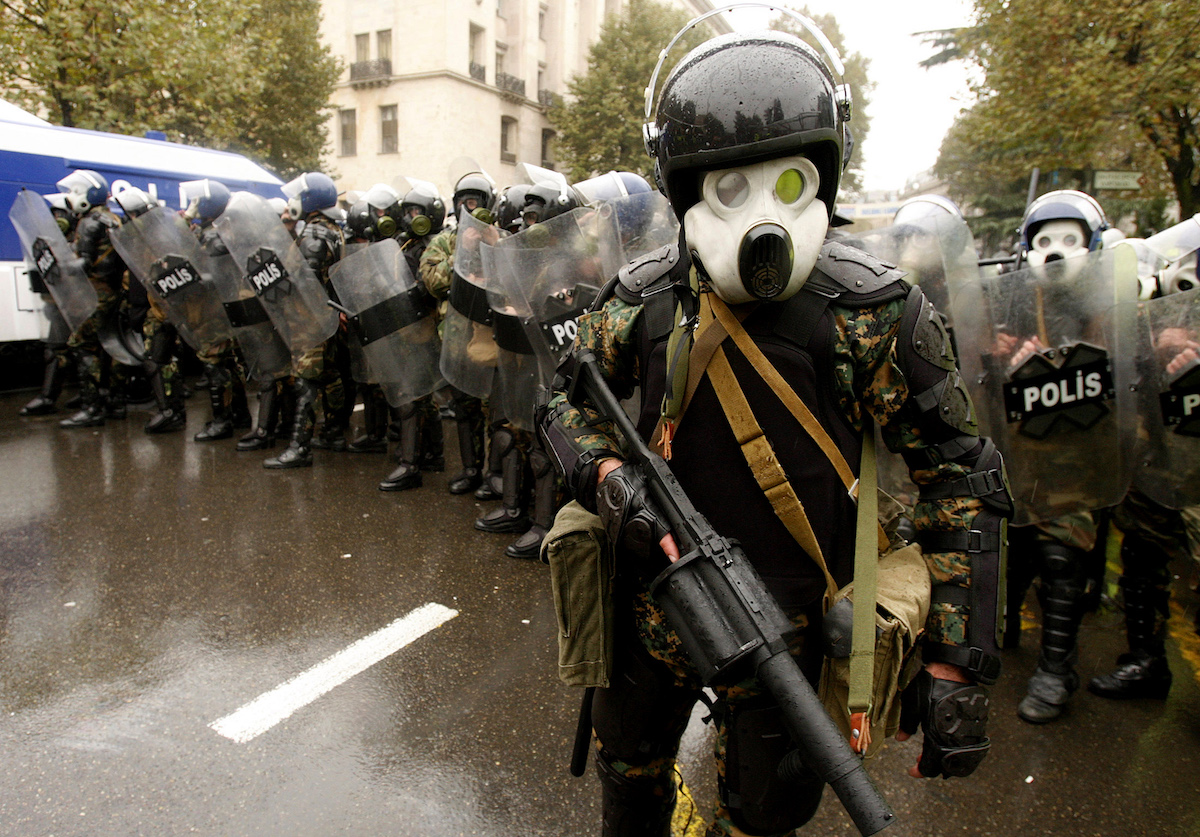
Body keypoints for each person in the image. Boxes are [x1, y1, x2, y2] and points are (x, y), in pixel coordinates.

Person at [539, 27, 1007, 837]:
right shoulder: (642, 298)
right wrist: (606, 478)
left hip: (784, 641)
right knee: (630, 778)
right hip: (649, 612)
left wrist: (956, 662)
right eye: (729, 190)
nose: (764, 218)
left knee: (764, 814)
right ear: (685, 190)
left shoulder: (876, 313)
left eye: (792, 181)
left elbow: (963, 477)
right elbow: (561, 406)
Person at [1000, 190, 1119, 723]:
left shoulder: (1108, 306)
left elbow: (1127, 379)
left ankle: (1056, 670)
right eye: (1043, 240)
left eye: (1068, 240)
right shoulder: (1014, 301)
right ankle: (1008, 629)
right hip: (1024, 458)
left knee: (1061, 557)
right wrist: (1008, 360)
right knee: (1018, 551)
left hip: (1079, 460)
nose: (1053, 251)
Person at [264, 172, 345, 469]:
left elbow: (305, 282)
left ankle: (300, 447)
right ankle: (334, 432)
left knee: (307, 380)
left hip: (309, 319)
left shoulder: (313, 234)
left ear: (310, 201)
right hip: (326, 315)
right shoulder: (332, 228)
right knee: (331, 375)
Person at [56, 170, 129, 429]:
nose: (71, 197)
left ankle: (92, 407)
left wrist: (60, 265)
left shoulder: (88, 222)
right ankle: (115, 401)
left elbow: (84, 263)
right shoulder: (113, 219)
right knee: (110, 345)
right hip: (114, 292)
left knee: (83, 346)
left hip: (94, 293)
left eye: (75, 191)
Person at [18, 193, 76, 417]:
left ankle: (52, 397)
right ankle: (49, 396)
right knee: (55, 349)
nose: (56, 220)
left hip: (80, 303)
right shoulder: (55, 241)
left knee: (81, 352)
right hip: (60, 302)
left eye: (60, 215)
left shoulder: (82, 237)